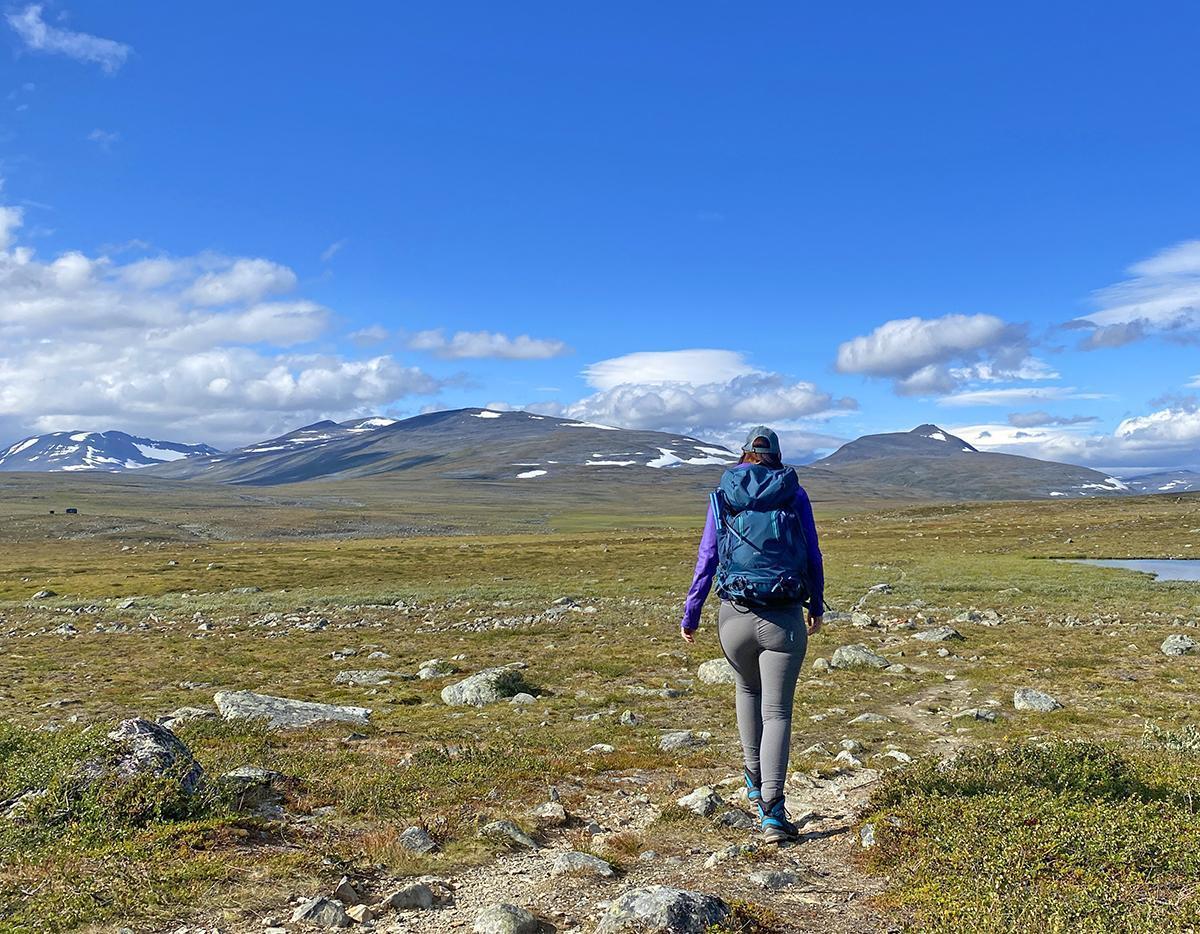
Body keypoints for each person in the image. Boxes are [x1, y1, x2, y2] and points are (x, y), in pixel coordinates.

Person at [680, 426, 825, 844]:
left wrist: (691, 613)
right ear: (776, 456)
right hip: (783, 617)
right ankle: (773, 813)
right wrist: (815, 605)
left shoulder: (723, 494)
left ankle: (752, 784)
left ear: (744, 454)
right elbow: (812, 553)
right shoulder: (793, 494)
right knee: (777, 712)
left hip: (735, 617)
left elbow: (708, 557)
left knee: (747, 693)